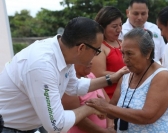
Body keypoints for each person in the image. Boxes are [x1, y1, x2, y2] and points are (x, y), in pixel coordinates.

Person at [0, 17, 128, 133]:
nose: (97, 55)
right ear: (81, 48)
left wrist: (112, 78)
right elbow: (56, 125)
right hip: (8, 128)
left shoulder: (63, 52)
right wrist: (90, 108)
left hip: (27, 126)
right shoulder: (42, 65)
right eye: (96, 50)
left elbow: (73, 86)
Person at [86, 28, 168, 132]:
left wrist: (107, 108)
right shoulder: (126, 75)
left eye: (130, 53)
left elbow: (147, 117)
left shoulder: (161, 76)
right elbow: (112, 112)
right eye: (123, 53)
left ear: (148, 52)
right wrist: (100, 108)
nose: (125, 59)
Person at [62, 62, 115, 133]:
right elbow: (79, 121)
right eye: (86, 59)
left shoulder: (91, 75)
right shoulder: (68, 83)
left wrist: (110, 126)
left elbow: (107, 102)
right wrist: (103, 132)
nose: (90, 62)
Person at [92, 6, 125, 98]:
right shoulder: (99, 46)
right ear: (102, 27)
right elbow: (98, 74)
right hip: (109, 95)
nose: (119, 29)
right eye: (114, 26)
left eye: (120, 25)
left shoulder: (123, 43)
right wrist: (126, 75)